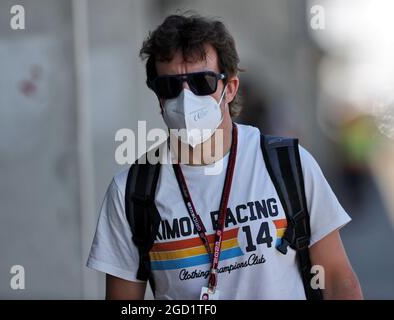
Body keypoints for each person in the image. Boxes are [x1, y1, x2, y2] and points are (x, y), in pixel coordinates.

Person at [87, 14, 363, 300]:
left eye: (201, 83)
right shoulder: (130, 192)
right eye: (170, 87)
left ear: (230, 88)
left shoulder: (290, 165)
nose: (185, 98)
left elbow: (339, 282)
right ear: (159, 98)